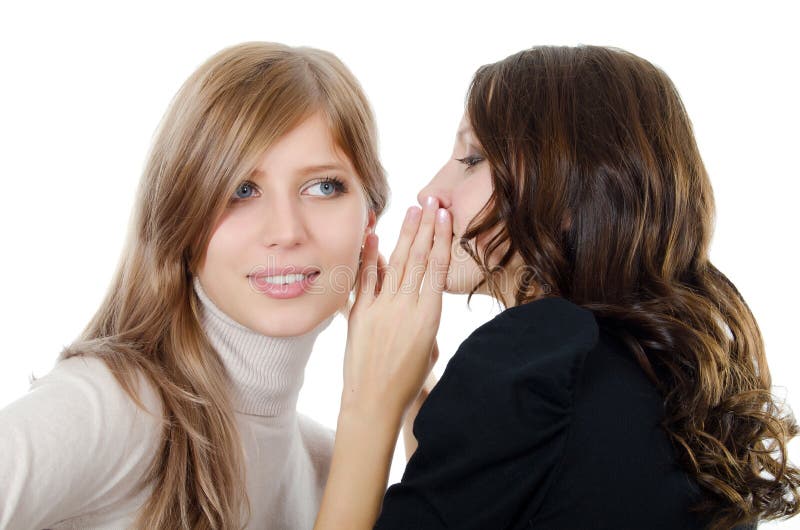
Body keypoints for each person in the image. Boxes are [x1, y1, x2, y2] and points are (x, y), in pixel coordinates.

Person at [313, 45, 800, 530]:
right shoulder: (663, 368)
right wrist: (410, 383)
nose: (429, 193)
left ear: (575, 190)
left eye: (473, 158)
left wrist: (369, 398)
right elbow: (469, 501)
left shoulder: (536, 350)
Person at [0, 41, 390, 529]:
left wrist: (411, 388)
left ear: (368, 220)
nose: (286, 231)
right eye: (241, 191)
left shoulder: (335, 468)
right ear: (181, 216)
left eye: (323, 186)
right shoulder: (117, 408)